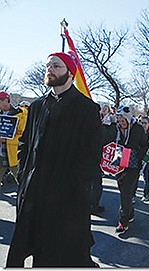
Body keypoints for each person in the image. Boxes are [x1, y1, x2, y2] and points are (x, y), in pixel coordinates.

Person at [6, 51, 102, 267]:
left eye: (56, 66)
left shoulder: (86, 109)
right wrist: (23, 173)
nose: (50, 69)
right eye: (48, 66)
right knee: (29, 244)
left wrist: (74, 185)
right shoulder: (38, 106)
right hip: (33, 193)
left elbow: (91, 155)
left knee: (59, 254)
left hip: (65, 198)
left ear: (70, 73)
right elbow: (25, 143)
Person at [112, 105, 148, 235]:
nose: (121, 124)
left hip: (133, 165)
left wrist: (138, 157)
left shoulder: (137, 129)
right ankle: (130, 212)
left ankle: (123, 221)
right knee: (123, 191)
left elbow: (145, 145)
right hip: (120, 163)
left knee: (126, 193)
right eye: (119, 121)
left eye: (123, 121)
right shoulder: (116, 129)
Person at [0, 91, 26, 188]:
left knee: (21, 180)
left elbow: (22, 134)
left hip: (14, 154)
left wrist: (7, 139)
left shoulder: (20, 114)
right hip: (1, 153)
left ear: (6, 101)